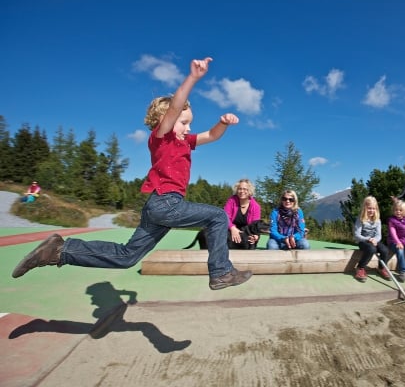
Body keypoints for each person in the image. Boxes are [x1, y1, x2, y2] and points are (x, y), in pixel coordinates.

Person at [12, 57, 252, 290]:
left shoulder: (185, 142)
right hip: (166, 202)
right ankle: (221, 272)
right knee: (219, 217)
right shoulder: (162, 137)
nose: (188, 128)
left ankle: (59, 250)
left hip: (158, 207)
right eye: (184, 122)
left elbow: (210, 136)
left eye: (189, 123)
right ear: (164, 120)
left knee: (128, 256)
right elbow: (176, 106)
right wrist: (192, 78)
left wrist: (223, 123)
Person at [353, 196, 391, 282]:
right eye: (369, 208)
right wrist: (368, 239)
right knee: (371, 249)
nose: (371, 211)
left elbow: (379, 235)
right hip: (363, 241)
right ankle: (360, 267)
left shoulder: (377, 220)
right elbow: (356, 235)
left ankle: (381, 268)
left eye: (374, 208)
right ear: (365, 208)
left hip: (374, 241)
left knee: (384, 250)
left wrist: (375, 240)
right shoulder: (360, 219)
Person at [223, 179, 262, 249]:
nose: (242, 191)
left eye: (245, 189)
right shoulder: (231, 201)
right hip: (230, 230)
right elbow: (225, 217)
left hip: (246, 233)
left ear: (249, 191)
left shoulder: (256, 206)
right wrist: (232, 228)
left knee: (251, 241)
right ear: (236, 190)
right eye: (240, 189)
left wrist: (256, 236)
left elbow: (256, 225)